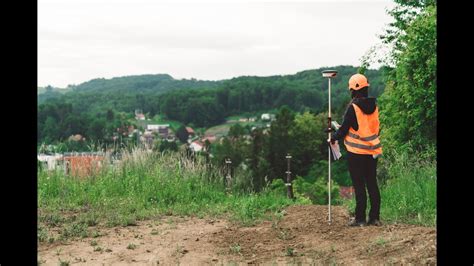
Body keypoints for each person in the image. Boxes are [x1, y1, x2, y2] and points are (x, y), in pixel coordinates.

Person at [330, 73, 382, 227]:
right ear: (366, 88)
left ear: (353, 90)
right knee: (372, 183)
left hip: (356, 153)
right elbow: (373, 129)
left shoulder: (353, 107)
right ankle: (375, 218)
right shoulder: (375, 106)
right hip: (372, 151)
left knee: (359, 185)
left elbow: (345, 129)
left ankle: (360, 219)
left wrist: (334, 136)